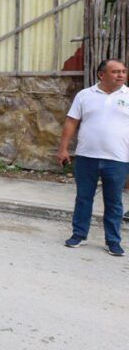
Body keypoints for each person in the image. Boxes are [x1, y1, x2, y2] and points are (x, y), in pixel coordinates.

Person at [57, 59, 129, 256]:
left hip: (118, 159)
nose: (121, 75)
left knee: (114, 202)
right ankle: (79, 234)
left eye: (123, 71)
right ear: (101, 75)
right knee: (83, 198)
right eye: (115, 72)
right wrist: (63, 149)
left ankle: (113, 241)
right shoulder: (85, 95)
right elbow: (71, 122)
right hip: (86, 157)